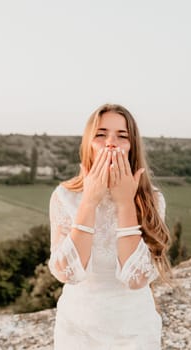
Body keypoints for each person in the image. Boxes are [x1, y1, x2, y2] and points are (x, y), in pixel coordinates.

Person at [48, 103, 171, 349]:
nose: (111, 143)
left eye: (122, 136)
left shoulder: (152, 199)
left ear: (132, 146)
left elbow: (137, 279)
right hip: (77, 330)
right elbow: (67, 273)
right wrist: (90, 201)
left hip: (134, 331)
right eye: (101, 134)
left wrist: (125, 202)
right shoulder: (63, 196)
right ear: (88, 144)